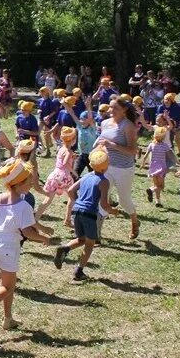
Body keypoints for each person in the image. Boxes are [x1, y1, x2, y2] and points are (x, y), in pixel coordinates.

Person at [0, 159, 51, 333]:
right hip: (8, 248)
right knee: (7, 286)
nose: (31, 184)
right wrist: (42, 238)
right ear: (19, 184)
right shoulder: (24, 206)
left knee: (7, 283)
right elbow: (28, 232)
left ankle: (8, 318)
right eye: (28, 181)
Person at [54, 150, 117, 281]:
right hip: (89, 214)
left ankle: (65, 248)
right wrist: (113, 211)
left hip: (77, 211)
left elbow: (71, 190)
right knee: (90, 243)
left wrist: (77, 201)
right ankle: (79, 271)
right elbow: (104, 205)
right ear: (106, 166)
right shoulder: (104, 181)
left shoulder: (87, 176)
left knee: (81, 239)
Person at [95, 97, 141, 239]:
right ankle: (96, 235)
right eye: (110, 107)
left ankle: (134, 220)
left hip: (124, 168)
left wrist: (112, 145)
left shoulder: (128, 126)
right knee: (102, 198)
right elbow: (101, 142)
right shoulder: (105, 123)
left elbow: (133, 151)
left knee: (124, 200)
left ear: (124, 110)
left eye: (115, 108)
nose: (111, 110)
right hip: (106, 167)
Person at [35, 126, 77, 224]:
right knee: (72, 197)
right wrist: (73, 171)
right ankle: (67, 219)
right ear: (73, 140)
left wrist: (72, 158)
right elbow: (65, 163)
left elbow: (62, 160)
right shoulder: (68, 151)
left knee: (48, 199)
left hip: (55, 175)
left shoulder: (61, 149)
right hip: (64, 176)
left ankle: (36, 218)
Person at [142, 126, 174, 207]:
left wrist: (143, 164)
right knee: (161, 186)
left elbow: (145, 156)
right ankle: (151, 190)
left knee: (156, 185)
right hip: (161, 168)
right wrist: (177, 162)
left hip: (153, 167)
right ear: (163, 137)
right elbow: (170, 155)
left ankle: (158, 201)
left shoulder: (151, 145)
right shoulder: (165, 145)